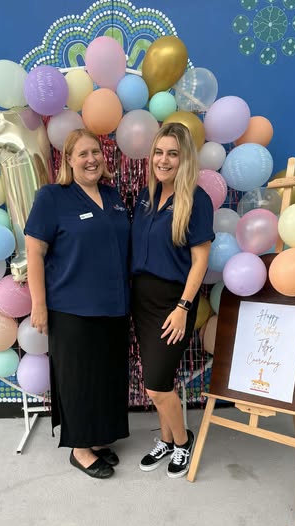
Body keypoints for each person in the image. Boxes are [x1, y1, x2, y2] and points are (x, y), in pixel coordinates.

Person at [24, 128, 130, 479]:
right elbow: (34, 252)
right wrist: (39, 304)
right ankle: (80, 449)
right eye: (82, 153)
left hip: (113, 306)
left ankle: (98, 438)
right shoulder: (52, 198)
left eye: (95, 152)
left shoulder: (113, 197)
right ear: (68, 160)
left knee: (106, 376)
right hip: (71, 309)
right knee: (78, 379)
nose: (91, 159)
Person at [131, 122, 215, 479]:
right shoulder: (145, 197)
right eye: (159, 152)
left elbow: (200, 261)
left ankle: (182, 442)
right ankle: (165, 440)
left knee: (155, 385)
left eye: (173, 154)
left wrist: (183, 308)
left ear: (185, 160)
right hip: (142, 301)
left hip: (173, 303)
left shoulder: (197, 200)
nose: (163, 160)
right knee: (161, 381)